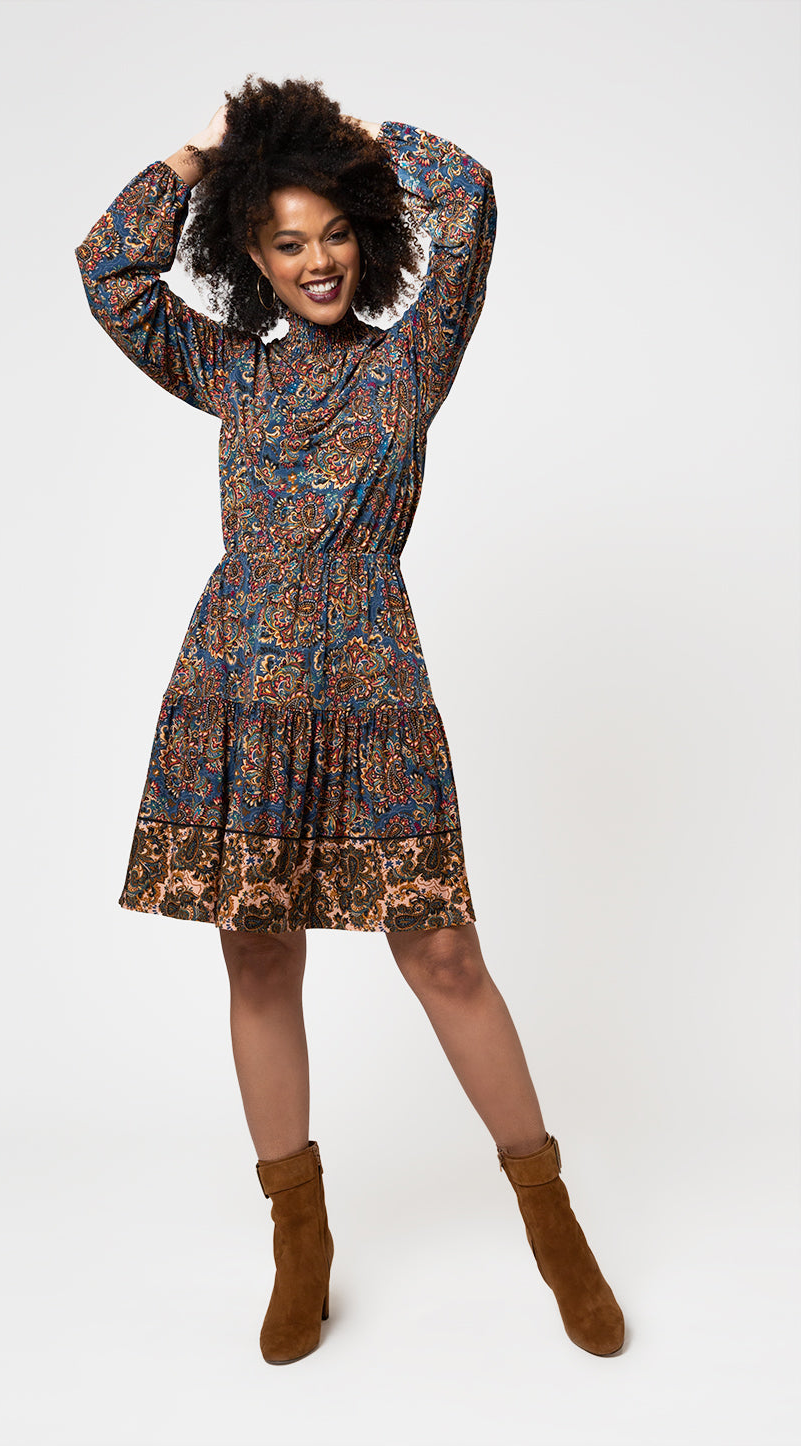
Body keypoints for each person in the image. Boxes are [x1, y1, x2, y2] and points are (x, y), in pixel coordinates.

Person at [74, 74, 625, 1366]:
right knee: (258, 959)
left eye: (333, 232)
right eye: (287, 240)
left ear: (366, 236)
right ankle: (301, 1241)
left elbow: (470, 200)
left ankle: (554, 1224)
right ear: (251, 257)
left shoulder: (410, 362)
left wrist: (351, 143)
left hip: (372, 683)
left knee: (444, 955)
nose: (316, 259)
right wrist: (207, 157)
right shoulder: (230, 369)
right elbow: (109, 273)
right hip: (242, 685)